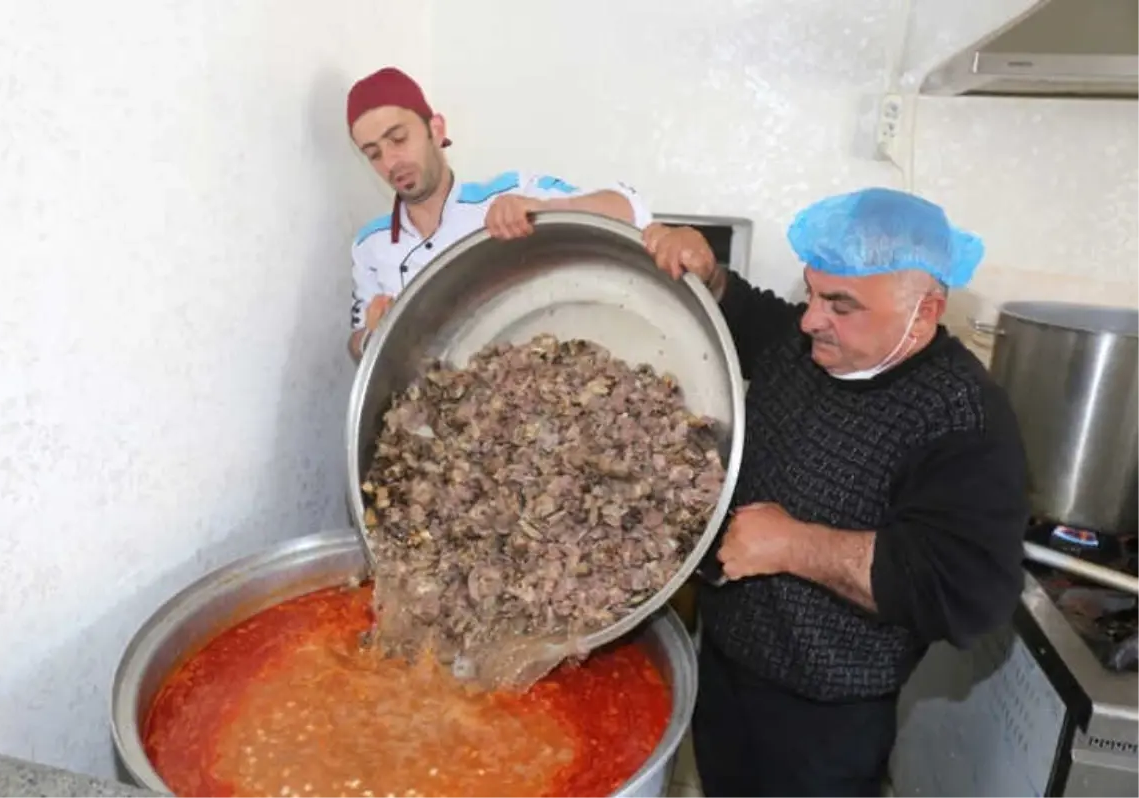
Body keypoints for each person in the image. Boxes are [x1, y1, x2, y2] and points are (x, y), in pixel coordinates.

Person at [644, 188, 1028, 798]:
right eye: (811, 292)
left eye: (840, 304)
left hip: (823, 715)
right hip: (724, 666)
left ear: (924, 311)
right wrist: (712, 276)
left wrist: (795, 546)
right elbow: (752, 318)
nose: (810, 318)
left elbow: (960, 589)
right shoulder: (811, 345)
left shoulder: (962, 418)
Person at [345, 67, 652, 360]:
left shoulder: (506, 194)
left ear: (436, 130)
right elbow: (357, 344)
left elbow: (628, 208)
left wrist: (546, 210)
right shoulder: (370, 244)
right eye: (373, 154)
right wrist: (374, 333)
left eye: (398, 139)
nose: (390, 161)